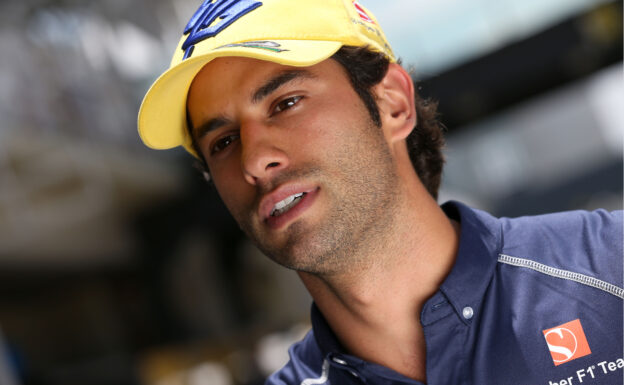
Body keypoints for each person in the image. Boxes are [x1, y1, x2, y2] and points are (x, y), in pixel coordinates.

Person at [137, 0, 623, 383]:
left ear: (392, 104)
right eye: (222, 142)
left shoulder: (607, 267)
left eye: (286, 103)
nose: (253, 160)